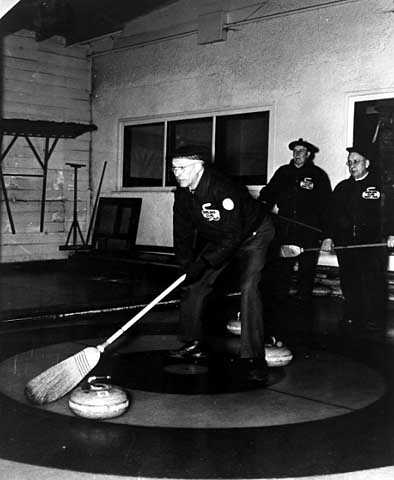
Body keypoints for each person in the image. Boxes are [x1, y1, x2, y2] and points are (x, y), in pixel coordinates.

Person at [168, 145, 275, 383]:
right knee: (193, 284)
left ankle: (254, 357)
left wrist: (204, 262)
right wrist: (186, 265)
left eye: (183, 168)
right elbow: (182, 233)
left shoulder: (223, 188)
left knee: (249, 289)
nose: (178, 174)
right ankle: (192, 342)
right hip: (221, 238)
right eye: (175, 168)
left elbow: (234, 236)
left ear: (199, 167)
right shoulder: (183, 194)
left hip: (254, 235)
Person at [258, 138, 332, 343]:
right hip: (285, 230)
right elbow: (267, 195)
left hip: (309, 232)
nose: (298, 154)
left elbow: (327, 207)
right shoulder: (283, 172)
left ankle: (304, 316)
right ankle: (279, 318)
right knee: (281, 272)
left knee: (306, 273)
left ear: (309, 154)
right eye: (295, 151)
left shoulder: (318, 176)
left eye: (302, 151)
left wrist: (326, 233)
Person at [322, 145, 394, 335]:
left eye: (356, 162)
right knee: (349, 280)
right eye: (349, 162)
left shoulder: (380, 187)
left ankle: (374, 319)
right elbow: (330, 215)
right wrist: (329, 236)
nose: (352, 166)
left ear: (367, 163)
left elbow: (390, 213)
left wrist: (392, 233)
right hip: (346, 244)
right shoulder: (342, 188)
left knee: (373, 281)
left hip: (372, 243)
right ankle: (353, 314)